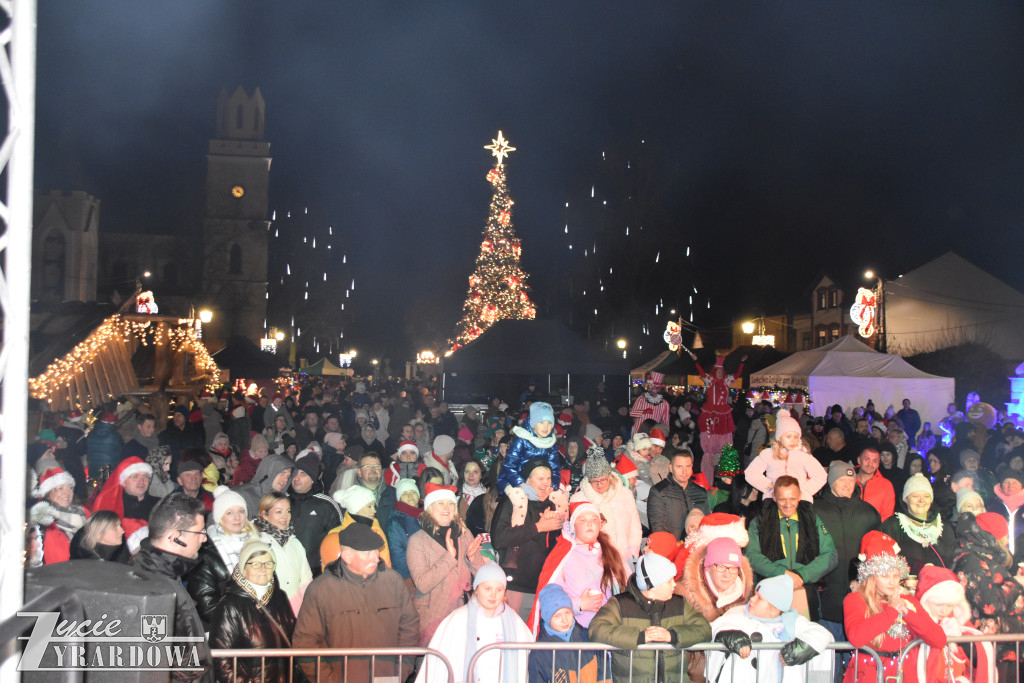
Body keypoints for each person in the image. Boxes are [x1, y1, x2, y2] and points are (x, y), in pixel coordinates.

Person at [293, 523, 419, 681]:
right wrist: (328, 680)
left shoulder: (393, 581)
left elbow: (409, 626)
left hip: (387, 678)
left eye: (376, 550)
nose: (375, 557)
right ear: (347, 556)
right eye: (367, 553)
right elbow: (306, 642)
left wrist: (401, 670)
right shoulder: (320, 590)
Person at [589, 552, 712, 683]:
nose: (674, 584)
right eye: (669, 581)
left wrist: (673, 636)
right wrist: (640, 637)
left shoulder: (680, 604)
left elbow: (704, 630)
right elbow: (596, 630)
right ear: (652, 586)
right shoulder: (620, 604)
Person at [842, 530, 945, 683]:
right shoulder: (855, 599)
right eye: (885, 576)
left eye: (896, 575)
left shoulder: (909, 601)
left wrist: (909, 614)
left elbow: (939, 640)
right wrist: (891, 612)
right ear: (871, 577)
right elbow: (856, 638)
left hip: (905, 674)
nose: (892, 581)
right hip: (868, 675)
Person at [131, 493, 213, 682]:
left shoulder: (166, 576)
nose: (204, 539)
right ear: (176, 537)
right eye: (200, 532)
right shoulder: (155, 589)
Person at [416, 562, 533, 683]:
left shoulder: (515, 623)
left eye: (499, 589)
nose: (493, 595)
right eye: (487, 588)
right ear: (477, 589)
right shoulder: (457, 620)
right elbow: (437, 667)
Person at [708, 573, 834, 683]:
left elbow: (822, 634)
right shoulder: (738, 613)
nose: (751, 599)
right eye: (754, 595)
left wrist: (801, 649)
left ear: (774, 610)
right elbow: (717, 626)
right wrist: (729, 635)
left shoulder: (793, 622)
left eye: (759, 598)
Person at [744, 476, 837, 620]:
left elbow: (830, 554)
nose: (788, 504)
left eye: (793, 499)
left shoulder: (811, 519)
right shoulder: (760, 521)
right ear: (774, 497)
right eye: (782, 499)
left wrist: (802, 575)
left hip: (805, 589)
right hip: (770, 595)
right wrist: (783, 574)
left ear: (800, 496)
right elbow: (752, 556)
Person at [813, 461, 881, 654]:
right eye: (841, 479)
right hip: (826, 601)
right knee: (827, 660)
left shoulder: (868, 513)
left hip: (860, 601)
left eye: (851, 480)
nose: (847, 484)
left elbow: (878, 552)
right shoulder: (815, 510)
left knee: (857, 662)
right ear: (831, 481)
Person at [528, 501, 628, 633]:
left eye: (594, 519)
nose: (589, 523)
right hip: (578, 630)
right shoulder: (564, 556)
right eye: (582, 520)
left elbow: (629, 587)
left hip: (611, 627)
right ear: (573, 525)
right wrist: (579, 605)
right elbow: (550, 597)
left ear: (600, 525)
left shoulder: (612, 552)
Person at [406, 483, 486, 644]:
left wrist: (473, 558)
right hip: (433, 617)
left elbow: (482, 577)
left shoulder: (464, 533)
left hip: (464, 613)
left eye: (450, 503)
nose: (446, 508)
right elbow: (422, 584)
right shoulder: (417, 540)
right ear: (429, 508)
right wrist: (450, 558)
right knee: (432, 666)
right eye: (440, 503)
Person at [210, 540, 297, 683]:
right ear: (244, 569)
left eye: (268, 563)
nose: (263, 569)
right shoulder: (229, 606)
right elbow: (220, 659)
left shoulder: (279, 597)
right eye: (255, 564)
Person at [490, 457, 564, 621]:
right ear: (527, 480)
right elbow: (499, 538)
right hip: (515, 585)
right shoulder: (513, 501)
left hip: (541, 585)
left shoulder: (552, 505)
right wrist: (538, 527)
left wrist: (554, 527)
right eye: (540, 479)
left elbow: (554, 547)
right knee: (511, 635)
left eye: (548, 478)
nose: (545, 484)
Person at [678, 536, 754, 683]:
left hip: (732, 671)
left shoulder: (747, 594)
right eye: (721, 567)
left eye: (733, 568)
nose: (727, 574)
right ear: (708, 566)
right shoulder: (684, 593)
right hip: (695, 672)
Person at [186, 485, 259, 627]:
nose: (237, 517)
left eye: (241, 511)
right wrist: (241, 621)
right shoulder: (206, 551)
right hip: (226, 628)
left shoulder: (257, 542)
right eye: (229, 513)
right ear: (219, 517)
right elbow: (206, 604)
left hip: (258, 624)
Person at [913, 565, 994, 683]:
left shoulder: (959, 621)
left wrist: (960, 640)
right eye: (939, 604)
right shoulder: (916, 622)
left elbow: (979, 660)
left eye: (949, 605)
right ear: (926, 601)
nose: (944, 611)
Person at [569, 449, 642, 575]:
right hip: (594, 562)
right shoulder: (579, 499)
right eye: (594, 481)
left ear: (610, 475)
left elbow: (635, 526)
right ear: (588, 479)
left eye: (603, 479)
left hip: (625, 557)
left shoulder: (625, 494)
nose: (599, 485)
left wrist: (633, 551)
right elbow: (574, 534)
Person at [497, 402, 562, 523]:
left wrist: (552, 487)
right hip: (513, 479)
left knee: (559, 496)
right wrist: (523, 486)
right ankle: (517, 533)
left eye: (549, 423)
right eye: (541, 422)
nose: (546, 427)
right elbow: (509, 466)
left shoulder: (551, 443)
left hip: (539, 480)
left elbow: (555, 468)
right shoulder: (521, 440)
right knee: (520, 499)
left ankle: (559, 530)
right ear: (533, 424)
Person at [528, 583, 606, 683]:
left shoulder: (589, 637)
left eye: (567, 613)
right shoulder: (539, 653)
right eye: (557, 616)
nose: (565, 620)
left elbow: (604, 673)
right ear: (547, 618)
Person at [880, 474, 955, 575]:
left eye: (926, 496)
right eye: (915, 496)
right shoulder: (893, 526)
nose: (921, 501)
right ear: (906, 499)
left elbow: (953, 560)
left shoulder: (944, 526)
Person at [746, 411, 827, 502]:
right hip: (774, 501)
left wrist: (803, 491)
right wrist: (769, 486)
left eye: (796, 436)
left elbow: (821, 476)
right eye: (788, 436)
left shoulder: (803, 455)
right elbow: (750, 473)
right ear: (779, 437)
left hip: (799, 501)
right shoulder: (768, 454)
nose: (793, 440)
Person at [255, 492, 313, 615]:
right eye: (279, 512)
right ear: (265, 515)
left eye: (288, 511)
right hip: (270, 611)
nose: (285, 517)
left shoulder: (295, 543)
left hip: (297, 608)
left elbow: (306, 581)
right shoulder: (258, 544)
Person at [91, 455, 159, 553]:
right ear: (123, 482)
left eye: (145, 476)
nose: (141, 481)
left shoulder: (159, 504)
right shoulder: (111, 505)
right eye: (135, 477)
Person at [289, 451, 341, 576]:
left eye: (303, 474)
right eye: (295, 473)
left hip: (316, 571)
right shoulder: (283, 502)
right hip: (288, 568)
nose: (296, 478)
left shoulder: (326, 504)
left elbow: (338, 537)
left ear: (312, 479)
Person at [30, 467, 89, 564]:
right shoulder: (41, 520)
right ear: (48, 494)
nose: (67, 493)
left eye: (70, 488)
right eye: (60, 488)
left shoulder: (84, 512)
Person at [647, 450, 710, 540]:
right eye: (679, 467)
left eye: (688, 466)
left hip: (694, 548)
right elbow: (658, 529)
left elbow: (706, 524)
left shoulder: (700, 492)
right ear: (670, 468)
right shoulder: (659, 491)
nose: (684, 471)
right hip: (669, 549)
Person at [327, 484, 391, 566]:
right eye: (369, 506)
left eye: (374, 506)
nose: (374, 510)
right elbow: (331, 568)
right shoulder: (336, 535)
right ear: (356, 509)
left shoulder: (375, 527)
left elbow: (385, 561)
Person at [386, 478, 422, 588]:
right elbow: (397, 554)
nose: (410, 496)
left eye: (413, 492)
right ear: (399, 498)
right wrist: (412, 576)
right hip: (410, 578)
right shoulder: (396, 521)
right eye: (405, 493)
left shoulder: (427, 515)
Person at [985, 465, 1024, 556]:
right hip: (999, 558)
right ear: (1001, 485)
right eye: (1006, 482)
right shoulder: (991, 505)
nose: (1010, 486)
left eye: (1015, 482)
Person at [854, 447, 895, 521]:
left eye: (875, 461)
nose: (870, 464)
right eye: (867, 459)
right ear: (859, 460)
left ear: (878, 464)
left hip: (874, 531)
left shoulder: (886, 485)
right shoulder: (847, 480)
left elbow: (887, 516)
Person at [629, 371, 671, 436]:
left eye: (656, 388)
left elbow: (666, 422)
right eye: (651, 387)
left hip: (654, 432)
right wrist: (643, 412)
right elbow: (632, 413)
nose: (653, 389)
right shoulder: (641, 399)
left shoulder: (665, 404)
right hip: (639, 431)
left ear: (659, 389)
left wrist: (664, 434)